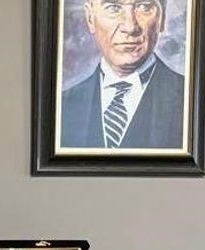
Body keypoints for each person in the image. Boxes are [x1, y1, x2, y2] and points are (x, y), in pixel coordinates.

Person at [61, 0, 185, 149]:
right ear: (90, 18)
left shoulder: (188, 100)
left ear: (162, 17)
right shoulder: (62, 107)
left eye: (144, 6)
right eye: (113, 7)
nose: (130, 27)